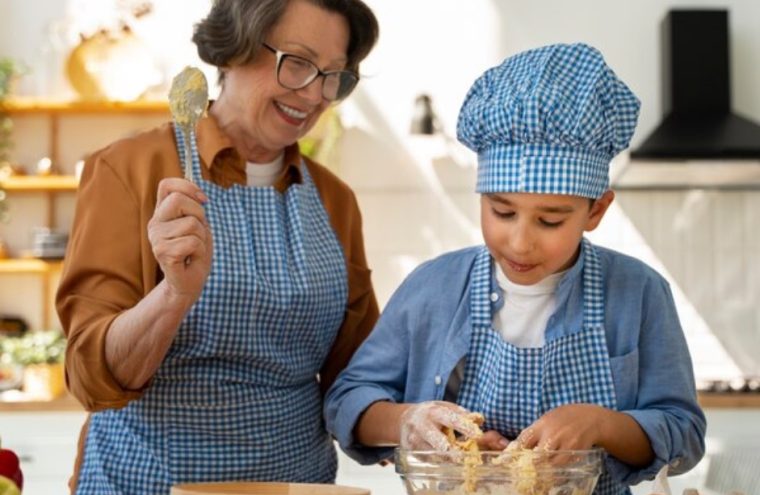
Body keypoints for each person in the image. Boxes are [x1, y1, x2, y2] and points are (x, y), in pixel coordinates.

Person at [324, 43, 706, 494]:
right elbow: (347, 401)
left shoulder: (638, 292)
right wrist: (408, 421)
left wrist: (601, 425)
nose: (520, 241)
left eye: (550, 220)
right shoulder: (433, 288)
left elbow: (684, 433)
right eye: (501, 212)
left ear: (597, 211)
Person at [55, 0, 379, 493]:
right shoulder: (129, 170)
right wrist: (174, 295)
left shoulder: (336, 201)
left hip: (296, 483)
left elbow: (355, 379)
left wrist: (422, 417)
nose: (314, 94)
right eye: (296, 62)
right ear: (233, 50)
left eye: (333, 76)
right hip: (146, 482)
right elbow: (90, 378)